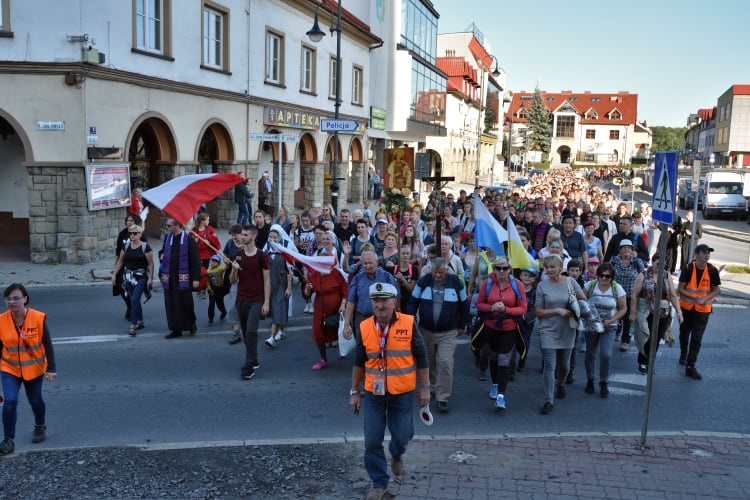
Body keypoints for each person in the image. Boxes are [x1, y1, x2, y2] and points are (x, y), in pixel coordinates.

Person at [347, 282, 430, 500]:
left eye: (384, 300)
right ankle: (379, 483)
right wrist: (354, 392)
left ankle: (397, 452)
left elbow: (422, 356)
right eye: (376, 300)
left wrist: (426, 388)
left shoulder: (409, 323)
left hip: (402, 393)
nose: (380, 305)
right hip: (374, 394)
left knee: (402, 435)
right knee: (372, 439)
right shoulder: (364, 326)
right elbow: (358, 361)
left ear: (394, 302)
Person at [0, 284, 57, 455]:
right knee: (10, 401)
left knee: (35, 401)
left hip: (34, 369)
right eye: (8, 298)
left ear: (25, 299)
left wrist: (51, 368)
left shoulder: (37, 318)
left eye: (16, 298)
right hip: (9, 368)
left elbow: (47, 344)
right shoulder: (1, 321)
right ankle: (8, 439)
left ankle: (40, 425)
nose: (12, 302)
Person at [407, 258, 469, 413]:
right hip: (426, 330)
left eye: (441, 273)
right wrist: (409, 320)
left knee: (445, 362)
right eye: (435, 272)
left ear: (446, 270)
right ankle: (432, 387)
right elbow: (413, 301)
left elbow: (464, 304)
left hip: (448, 331)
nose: (437, 276)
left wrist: (462, 324)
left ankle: (443, 397)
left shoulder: (456, 282)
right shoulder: (424, 281)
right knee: (428, 361)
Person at [534, 254, 586, 415]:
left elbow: (583, 300)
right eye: (546, 267)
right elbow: (538, 311)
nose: (549, 270)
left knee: (564, 365)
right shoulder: (542, 286)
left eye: (552, 267)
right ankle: (548, 399)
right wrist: (557, 310)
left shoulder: (570, 282)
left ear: (560, 268)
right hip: (548, 329)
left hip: (568, 329)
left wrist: (575, 307)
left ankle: (561, 383)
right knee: (550, 366)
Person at [475, 257, 527, 411]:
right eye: (498, 268)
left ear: (510, 269)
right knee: (494, 357)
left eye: (505, 268)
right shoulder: (488, 283)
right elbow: (479, 304)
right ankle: (495, 384)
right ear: (494, 269)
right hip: (491, 326)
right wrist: (492, 308)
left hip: (509, 327)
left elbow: (523, 308)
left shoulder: (517, 284)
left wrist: (507, 310)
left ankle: (501, 396)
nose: (502, 271)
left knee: (504, 360)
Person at [229, 226, 270, 380]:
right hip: (241, 299)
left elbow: (267, 281)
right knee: (246, 333)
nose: (242, 237)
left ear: (253, 237)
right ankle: (254, 358)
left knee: (251, 331)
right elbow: (232, 281)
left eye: (245, 235)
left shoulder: (262, 256)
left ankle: (248, 365)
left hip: (256, 299)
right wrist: (234, 270)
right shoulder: (237, 255)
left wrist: (266, 302)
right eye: (242, 235)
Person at [631, 254, 682, 374]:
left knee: (656, 339)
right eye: (657, 264)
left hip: (663, 312)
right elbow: (635, 295)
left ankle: (649, 363)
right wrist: (633, 313)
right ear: (653, 262)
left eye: (662, 265)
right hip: (646, 310)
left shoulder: (666, 276)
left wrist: (679, 312)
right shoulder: (643, 274)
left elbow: (673, 295)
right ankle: (642, 361)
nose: (659, 267)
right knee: (646, 336)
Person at [677, 244, 721, 380]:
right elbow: (680, 288)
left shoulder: (712, 270)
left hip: (703, 309)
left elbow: (716, 290)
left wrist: (705, 298)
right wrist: (694, 297)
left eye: (708, 253)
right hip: (686, 307)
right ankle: (684, 352)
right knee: (684, 334)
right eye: (704, 252)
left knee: (697, 338)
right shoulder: (689, 268)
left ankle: (691, 365)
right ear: (696, 254)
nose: (707, 255)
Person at [583, 263, 626, 397]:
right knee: (590, 353)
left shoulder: (617, 288)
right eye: (601, 275)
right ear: (598, 275)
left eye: (607, 276)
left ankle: (604, 382)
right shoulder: (590, 286)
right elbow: (581, 301)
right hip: (592, 326)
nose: (604, 279)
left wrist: (612, 321)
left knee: (606, 355)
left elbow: (623, 308)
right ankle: (590, 379)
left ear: (612, 277)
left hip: (609, 326)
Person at [302, 255, 348, 370]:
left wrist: (343, 304)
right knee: (318, 331)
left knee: (339, 330)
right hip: (320, 308)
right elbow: (307, 294)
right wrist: (308, 288)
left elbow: (344, 290)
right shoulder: (315, 274)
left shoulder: (336, 273)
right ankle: (323, 359)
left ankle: (342, 349)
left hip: (337, 308)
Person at [342, 251, 398, 343]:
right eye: (365, 263)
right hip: (361, 318)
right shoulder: (358, 278)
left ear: (377, 262)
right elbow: (351, 301)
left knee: (383, 346)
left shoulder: (387, 277)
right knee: (362, 347)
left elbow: (395, 299)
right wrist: (346, 325)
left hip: (383, 318)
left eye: (370, 263)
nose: (368, 266)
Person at [159, 218, 202, 339]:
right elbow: (162, 252)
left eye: (169, 225)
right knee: (172, 303)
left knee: (185, 303)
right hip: (170, 276)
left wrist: (196, 279)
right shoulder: (168, 238)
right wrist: (161, 255)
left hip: (184, 277)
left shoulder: (189, 240)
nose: (167, 228)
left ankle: (191, 322)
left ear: (177, 225)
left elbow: (195, 260)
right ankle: (176, 329)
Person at [111, 225, 154, 336]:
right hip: (128, 277)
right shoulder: (126, 246)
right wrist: (114, 274)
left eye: (135, 233)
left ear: (140, 234)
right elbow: (120, 261)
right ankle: (140, 321)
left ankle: (133, 325)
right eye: (130, 233)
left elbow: (151, 264)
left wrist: (150, 278)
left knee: (134, 299)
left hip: (141, 277)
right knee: (134, 299)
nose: (132, 235)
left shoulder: (145, 247)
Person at [610, 239, 645, 352]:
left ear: (632, 250)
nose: (626, 249)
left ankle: (625, 340)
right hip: (616, 294)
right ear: (620, 250)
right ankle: (616, 333)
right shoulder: (614, 260)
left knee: (628, 318)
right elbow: (608, 274)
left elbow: (643, 275)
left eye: (629, 248)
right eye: (624, 247)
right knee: (615, 315)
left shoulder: (636, 261)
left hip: (631, 295)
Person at [263, 228, 293, 348]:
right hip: (270, 284)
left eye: (275, 238)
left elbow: (289, 272)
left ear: (279, 239)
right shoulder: (266, 254)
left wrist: (289, 287)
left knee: (278, 307)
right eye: (271, 238)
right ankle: (281, 330)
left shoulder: (284, 254)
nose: (273, 240)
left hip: (281, 284)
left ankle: (271, 337)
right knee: (275, 309)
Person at [114, 213, 145, 321]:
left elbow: (145, 249)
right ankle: (130, 305)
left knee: (132, 288)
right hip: (123, 265)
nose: (128, 222)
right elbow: (118, 251)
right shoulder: (123, 233)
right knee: (120, 287)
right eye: (127, 220)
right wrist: (115, 268)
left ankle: (134, 310)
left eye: (131, 221)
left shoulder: (140, 234)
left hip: (136, 266)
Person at [223, 225, 244, 345]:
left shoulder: (248, 245)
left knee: (246, 306)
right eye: (232, 235)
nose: (234, 237)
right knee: (233, 306)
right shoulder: (230, 243)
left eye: (235, 235)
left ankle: (247, 328)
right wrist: (226, 259)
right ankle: (236, 333)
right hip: (234, 277)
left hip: (248, 279)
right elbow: (225, 254)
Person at [205, 254, 228, 325]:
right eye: (212, 261)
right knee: (211, 304)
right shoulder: (208, 271)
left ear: (219, 263)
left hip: (220, 289)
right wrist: (209, 289)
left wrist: (227, 263)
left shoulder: (220, 269)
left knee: (220, 304)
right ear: (210, 262)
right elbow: (207, 281)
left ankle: (223, 312)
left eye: (216, 261)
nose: (213, 262)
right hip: (212, 289)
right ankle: (210, 319)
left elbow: (226, 268)